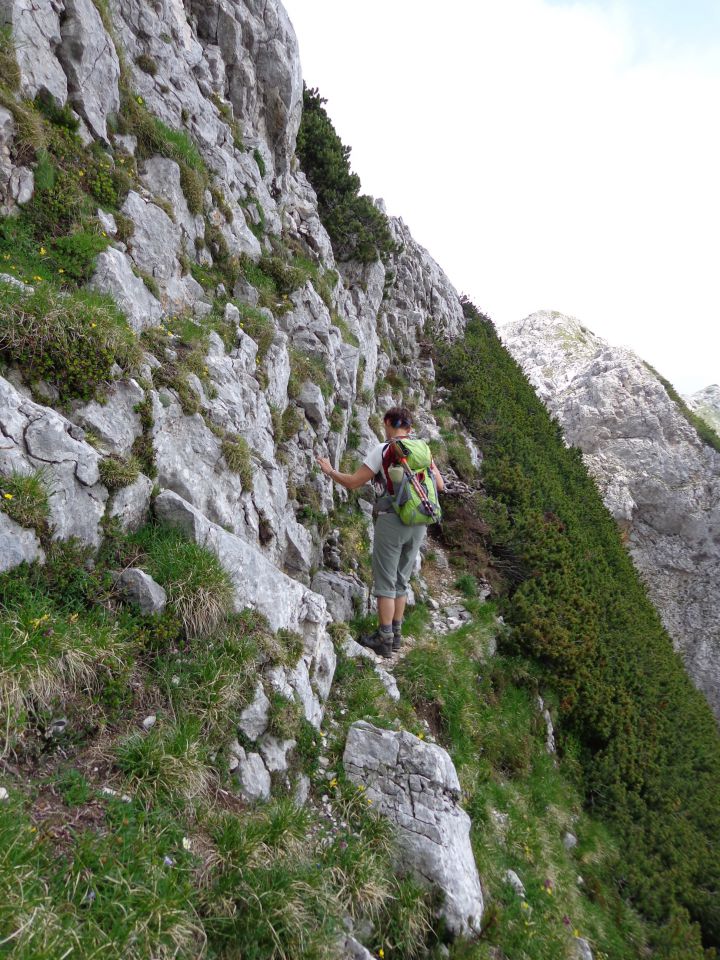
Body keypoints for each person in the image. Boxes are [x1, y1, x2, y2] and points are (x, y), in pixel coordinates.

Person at [316, 406, 444, 658]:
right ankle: (396, 636)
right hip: (419, 523)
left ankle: (383, 638)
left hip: (392, 521)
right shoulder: (424, 450)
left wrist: (330, 471)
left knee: (385, 581)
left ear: (387, 422)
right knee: (401, 580)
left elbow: (353, 482)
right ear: (409, 427)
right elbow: (439, 484)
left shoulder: (384, 450)